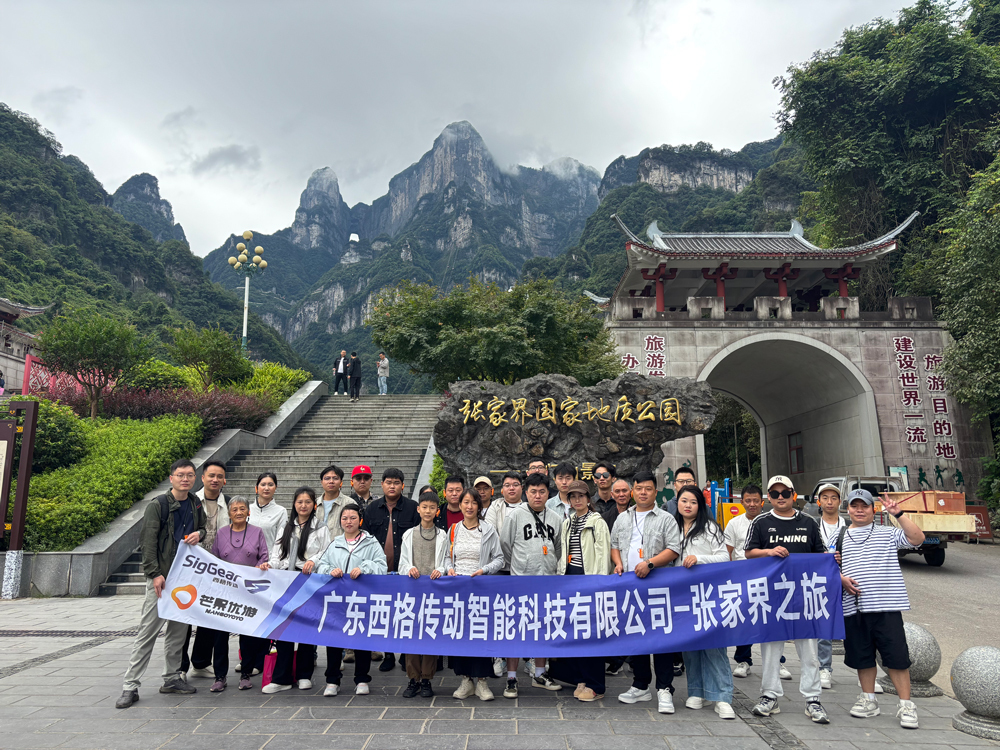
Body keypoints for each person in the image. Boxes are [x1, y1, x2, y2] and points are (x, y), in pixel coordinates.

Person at [116, 459, 207, 709]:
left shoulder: (195, 503)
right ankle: (130, 686)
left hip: (184, 581)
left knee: (178, 635)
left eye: (190, 475)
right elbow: (147, 542)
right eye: (181, 475)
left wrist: (200, 534)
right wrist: (154, 573)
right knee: (147, 633)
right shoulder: (158, 505)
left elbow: (203, 527)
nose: (185, 479)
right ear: (171, 478)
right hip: (162, 580)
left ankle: (171, 678)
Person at [745, 475, 829, 724]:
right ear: (768, 498)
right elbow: (749, 552)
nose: (780, 497)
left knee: (809, 650)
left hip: (804, 595)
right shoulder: (761, 522)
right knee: (771, 649)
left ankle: (813, 699)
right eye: (775, 493)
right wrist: (769, 552)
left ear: (794, 495)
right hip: (772, 596)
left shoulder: (809, 522)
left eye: (785, 493)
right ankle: (769, 696)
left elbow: (821, 555)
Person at [840, 489, 924, 729]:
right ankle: (868, 700)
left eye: (864, 506)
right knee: (863, 657)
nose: (859, 510)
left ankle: (906, 705)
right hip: (854, 607)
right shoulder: (839, 536)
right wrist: (840, 579)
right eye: (854, 505)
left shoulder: (888, 533)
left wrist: (899, 514)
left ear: (873, 509)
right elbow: (829, 565)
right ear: (848, 509)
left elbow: (917, 539)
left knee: (897, 657)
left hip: (887, 607)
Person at [611, 470, 681, 714]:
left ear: (655, 491)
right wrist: (617, 563)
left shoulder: (666, 518)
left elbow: (674, 548)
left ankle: (665, 689)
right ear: (633, 491)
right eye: (639, 488)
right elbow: (614, 545)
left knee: (661, 639)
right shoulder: (623, 518)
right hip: (630, 586)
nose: (643, 493)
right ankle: (641, 685)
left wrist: (650, 563)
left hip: (658, 585)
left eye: (648, 489)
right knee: (636, 635)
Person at [259, 487, 331, 693]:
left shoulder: (320, 527)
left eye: (307, 502)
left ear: (314, 505)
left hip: (308, 580)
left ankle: (304, 675)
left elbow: (326, 552)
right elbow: (277, 554)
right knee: (283, 629)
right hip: (286, 581)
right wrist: (270, 565)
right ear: (294, 504)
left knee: (306, 628)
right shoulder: (286, 526)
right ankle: (281, 678)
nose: (303, 505)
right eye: (300, 502)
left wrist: (313, 561)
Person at [499, 472, 563, 697]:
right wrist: (522, 564)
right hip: (521, 582)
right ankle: (511, 678)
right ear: (526, 493)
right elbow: (505, 545)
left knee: (543, 628)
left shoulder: (555, 518)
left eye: (542, 492)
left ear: (548, 493)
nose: (537, 496)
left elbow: (558, 548)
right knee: (515, 630)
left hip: (547, 582)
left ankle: (540, 674)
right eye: (533, 491)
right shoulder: (516, 516)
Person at [675, 485, 736, 719]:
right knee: (690, 645)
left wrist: (698, 558)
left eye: (693, 502)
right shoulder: (672, 526)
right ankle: (696, 691)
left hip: (708, 594)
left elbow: (724, 557)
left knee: (714, 645)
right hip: (682, 595)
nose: (688, 505)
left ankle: (722, 696)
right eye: (684, 501)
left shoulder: (710, 527)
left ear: (700, 505)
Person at [314, 504, 388, 696]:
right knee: (333, 639)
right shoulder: (335, 543)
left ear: (360, 520)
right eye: (345, 518)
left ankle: (362, 679)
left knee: (361, 639)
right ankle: (332, 680)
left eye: (353, 518)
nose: (348, 521)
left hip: (361, 600)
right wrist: (331, 570)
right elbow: (321, 565)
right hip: (337, 600)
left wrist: (364, 568)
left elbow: (382, 566)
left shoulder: (371, 543)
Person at [207, 496, 270, 691]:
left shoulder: (257, 532)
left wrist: (260, 567)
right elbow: (214, 560)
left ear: (249, 512)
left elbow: (264, 557)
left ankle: (246, 674)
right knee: (220, 636)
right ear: (229, 513)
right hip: (225, 593)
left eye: (242, 508)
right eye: (234, 509)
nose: (239, 512)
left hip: (248, 593)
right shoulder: (221, 533)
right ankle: (220, 676)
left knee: (248, 636)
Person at [448, 488, 505, 701]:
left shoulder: (488, 530)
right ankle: (466, 680)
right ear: (460, 505)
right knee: (461, 635)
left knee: (480, 634)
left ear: (479, 506)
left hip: (480, 589)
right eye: (466, 502)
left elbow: (499, 559)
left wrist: (485, 570)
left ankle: (482, 682)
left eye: (474, 502)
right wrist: (449, 569)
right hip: (458, 590)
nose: (469, 506)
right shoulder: (453, 529)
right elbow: (446, 557)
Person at [558, 479, 611, 701]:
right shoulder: (568, 522)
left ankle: (595, 684)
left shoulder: (597, 522)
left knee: (591, 634)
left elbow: (603, 555)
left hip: (589, 581)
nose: (577, 500)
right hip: (570, 580)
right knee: (574, 633)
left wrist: (599, 584)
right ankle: (580, 678)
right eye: (573, 496)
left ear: (588, 499)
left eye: (581, 496)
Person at [363, 468, 419, 672]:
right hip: (380, 573)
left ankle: (404, 655)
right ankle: (388, 655)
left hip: (405, 572)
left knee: (405, 613)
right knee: (384, 615)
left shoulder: (412, 508)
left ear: (402, 485)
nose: (392, 486)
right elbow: (365, 540)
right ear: (382, 484)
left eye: (396, 482)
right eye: (388, 482)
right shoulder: (372, 509)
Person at [398, 491, 448, 698]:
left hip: (434, 591)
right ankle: (413, 678)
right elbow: (402, 562)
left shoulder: (443, 535)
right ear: (418, 509)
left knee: (430, 634)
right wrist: (409, 568)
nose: (428, 511)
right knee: (411, 635)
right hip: (413, 591)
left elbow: (446, 561)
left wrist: (441, 570)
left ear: (437, 511)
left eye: (432, 508)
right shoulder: (409, 534)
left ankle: (426, 678)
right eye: (424, 507)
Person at [183, 460, 229, 678]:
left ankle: (200, 663)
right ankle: (180, 667)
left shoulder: (228, 503)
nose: (215, 480)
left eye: (219, 476)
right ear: (202, 478)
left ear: (224, 480)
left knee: (210, 616)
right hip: (192, 568)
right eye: (211, 475)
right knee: (184, 618)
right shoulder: (190, 502)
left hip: (217, 569)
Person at [483, 470, 524, 677]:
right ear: (501, 489)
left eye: (515, 484)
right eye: (507, 485)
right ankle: (498, 656)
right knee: (498, 614)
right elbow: (492, 533)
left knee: (522, 615)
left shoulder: (528, 507)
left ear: (521, 488)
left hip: (522, 570)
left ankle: (529, 658)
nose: (511, 488)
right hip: (498, 568)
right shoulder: (495, 507)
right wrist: (508, 550)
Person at [724, 484, 763, 679]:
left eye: (756, 500)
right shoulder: (734, 524)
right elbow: (727, 552)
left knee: (770, 619)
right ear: (742, 502)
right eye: (748, 500)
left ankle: (778, 661)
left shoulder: (769, 521)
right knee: (745, 619)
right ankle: (743, 660)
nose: (752, 504)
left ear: (762, 502)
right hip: (742, 577)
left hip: (767, 576)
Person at [816, 482, 846, 690]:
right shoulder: (812, 525)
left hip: (846, 580)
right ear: (819, 502)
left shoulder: (848, 526)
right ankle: (824, 668)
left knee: (853, 625)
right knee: (824, 625)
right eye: (825, 498)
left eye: (833, 498)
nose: (829, 502)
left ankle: (864, 669)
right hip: (821, 581)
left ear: (840, 502)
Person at [250, 472, 288, 550]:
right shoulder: (247, 509)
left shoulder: (281, 511)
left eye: (270, 485)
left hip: (269, 556)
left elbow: (281, 540)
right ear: (256, 487)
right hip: (247, 555)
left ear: (275, 487)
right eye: (263, 485)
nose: (266, 488)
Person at [317, 464, 350, 538]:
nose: (331, 481)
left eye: (335, 478)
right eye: (327, 478)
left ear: (341, 482)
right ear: (321, 482)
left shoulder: (349, 503)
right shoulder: (314, 504)